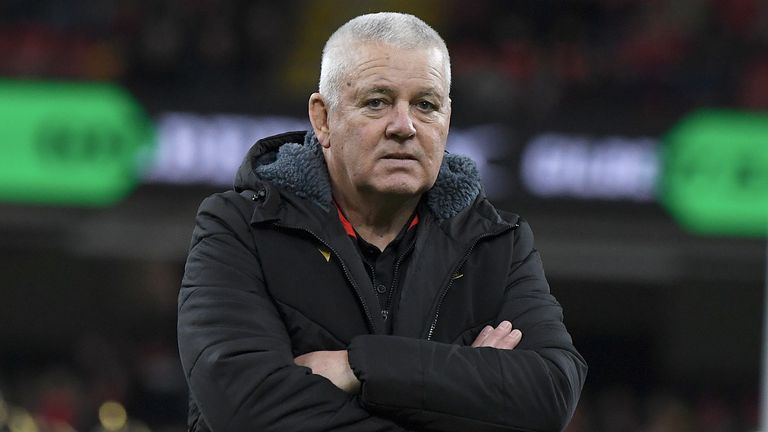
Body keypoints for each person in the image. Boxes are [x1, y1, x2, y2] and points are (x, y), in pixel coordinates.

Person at [177, 12, 586, 432]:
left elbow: (550, 395)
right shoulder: (239, 227)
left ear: (447, 117)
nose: (404, 126)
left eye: (426, 105)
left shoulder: (498, 242)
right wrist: (464, 384)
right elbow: (247, 408)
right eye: (377, 102)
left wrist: (358, 367)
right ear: (322, 119)